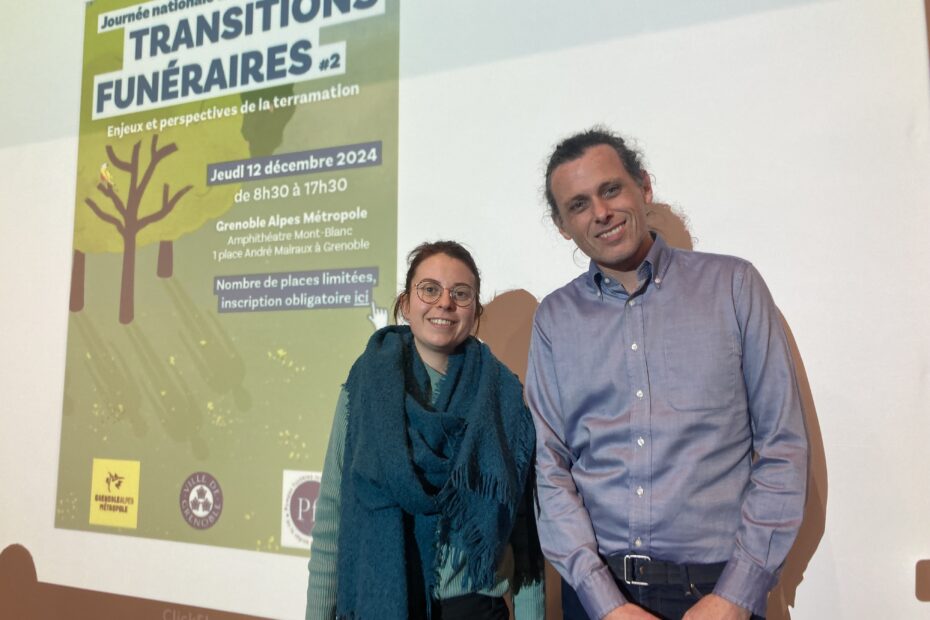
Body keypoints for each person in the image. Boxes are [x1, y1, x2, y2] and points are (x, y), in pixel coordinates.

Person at [525, 128, 808, 620]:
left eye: (611, 189)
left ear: (644, 186)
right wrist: (602, 601)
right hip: (598, 597)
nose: (601, 213)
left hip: (717, 594)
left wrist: (737, 594)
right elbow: (550, 468)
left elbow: (783, 446)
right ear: (562, 225)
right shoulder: (555, 318)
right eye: (578, 205)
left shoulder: (733, 286)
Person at [306, 241, 545, 620]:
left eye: (460, 294)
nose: (444, 303)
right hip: (384, 601)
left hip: (475, 608)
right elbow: (333, 513)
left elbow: (522, 530)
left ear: (475, 312)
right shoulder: (365, 386)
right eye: (429, 289)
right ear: (405, 303)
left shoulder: (504, 398)